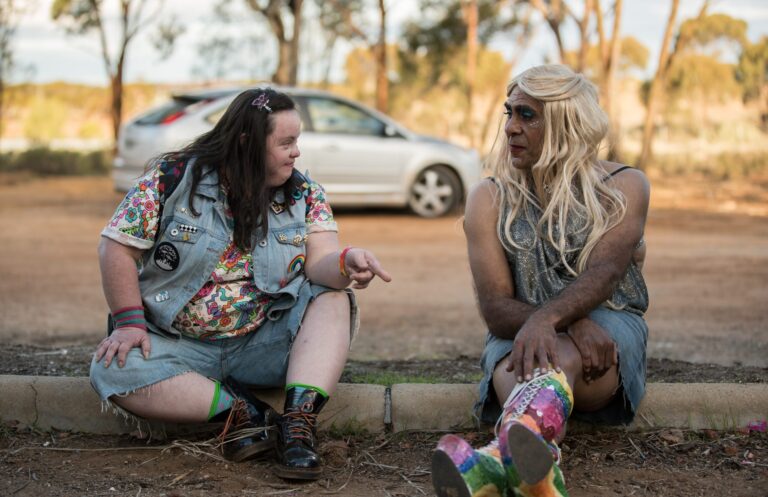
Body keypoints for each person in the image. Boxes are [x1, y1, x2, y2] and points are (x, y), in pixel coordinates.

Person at [90, 88, 391, 481]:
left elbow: (320, 264)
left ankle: (298, 427)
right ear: (247, 143)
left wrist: (345, 262)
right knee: (111, 368)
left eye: (296, 140)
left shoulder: (304, 193)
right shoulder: (172, 181)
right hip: (178, 346)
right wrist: (129, 322)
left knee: (333, 297)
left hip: (263, 344)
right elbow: (116, 249)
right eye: (286, 142)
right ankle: (244, 413)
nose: (297, 151)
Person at [431, 64, 650, 497]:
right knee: (542, 355)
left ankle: (493, 462)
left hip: (606, 330)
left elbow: (604, 274)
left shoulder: (623, 186)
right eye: (508, 112)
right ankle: (531, 466)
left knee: (554, 353)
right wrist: (559, 321)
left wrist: (553, 321)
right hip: (516, 331)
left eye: (527, 115)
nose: (511, 127)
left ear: (567, 120)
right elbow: (496, 306)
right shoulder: (489, 198)